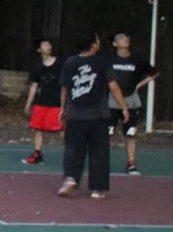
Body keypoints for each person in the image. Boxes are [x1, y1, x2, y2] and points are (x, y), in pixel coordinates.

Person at [57, 34, 129, 199]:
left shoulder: (70, 62)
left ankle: (71, 177)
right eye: (97, 40)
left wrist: (62, 108)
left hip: (75, 114)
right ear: (93, 45)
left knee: (73, 149)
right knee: (99, 152)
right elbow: (113, 86)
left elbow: (65, 88)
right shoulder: (103, 62)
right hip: (98, 115)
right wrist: (124, 107)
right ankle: (98, 188)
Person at [108, 32, 158, 175]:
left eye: (126, 37)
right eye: (121, 38)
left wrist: (140, 84)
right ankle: (102, 162)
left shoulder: (137, 59)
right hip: (111, 102)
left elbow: (154, 73)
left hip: (131, 101)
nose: (125, 39)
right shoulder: (108, 59)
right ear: (115, 44)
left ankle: (131, 164)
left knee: (130, 133)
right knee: (106, 134)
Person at [22, 38, 64, 165]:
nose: (48, 46)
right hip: (42, 102)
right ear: (39, 50)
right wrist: (28, 104)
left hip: (57, 103)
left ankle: (71, 154)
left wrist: (64, 104)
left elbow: (65, 85)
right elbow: (34, 86)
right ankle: (37, 155)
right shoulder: (37, 67)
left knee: (61, 129)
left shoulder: (60, 63)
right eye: (45, 45)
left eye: (49, 44)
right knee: (38, 128)